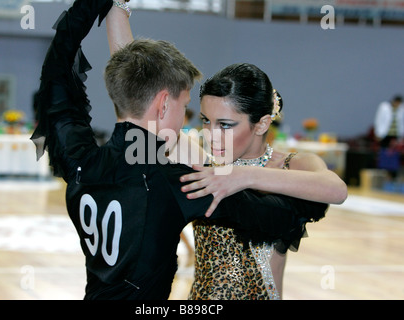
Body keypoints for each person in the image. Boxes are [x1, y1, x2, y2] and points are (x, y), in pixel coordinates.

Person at [31, 0, 328, 300]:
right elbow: (286, 216)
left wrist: (101, 4)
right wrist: (249, 179)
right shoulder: (179, 182)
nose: (187, 120)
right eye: (185, 107)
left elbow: (57, 73)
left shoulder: (80, 160)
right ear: (163, 105)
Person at [179, 64, 348, 299]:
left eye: (225, 125)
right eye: (206, 121)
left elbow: (337, 190)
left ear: (262, 124)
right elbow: (136, 96)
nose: (211, 134)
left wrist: (244, 176)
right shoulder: (203, 162)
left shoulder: (290, 165)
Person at [374, 95, 404, 179]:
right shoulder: (384, 107)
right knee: (384, 154)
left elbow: (401, 122)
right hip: (385, 134)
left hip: (395, 135)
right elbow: (379, 119)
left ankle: (393, 175)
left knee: (394, 155)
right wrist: (378, 133)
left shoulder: (401, 109)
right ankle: (383, 173)